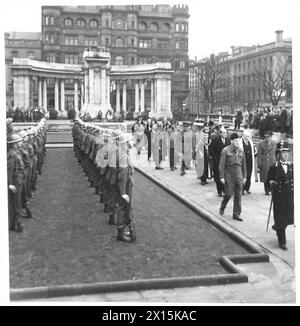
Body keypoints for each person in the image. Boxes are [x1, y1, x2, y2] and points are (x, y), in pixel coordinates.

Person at [267, 141, 294, 250]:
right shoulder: (275, 167)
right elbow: (268, 180)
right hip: (279, 197)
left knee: (288, 218)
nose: (286, 155)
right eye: (283, 153)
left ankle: (278, 227)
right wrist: (271, 184)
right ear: (279, 154)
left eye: (287, 152)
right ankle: (282, 241)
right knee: (280, 218)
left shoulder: (292, 166)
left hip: (289, 196)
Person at [219, 132, 247, 221]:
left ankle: (236, 214)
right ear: (231, 141)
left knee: (238, 195)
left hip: (239, 174)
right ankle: (223, 205)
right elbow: (221, 165)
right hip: (229, 174)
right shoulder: (225, 150)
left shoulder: (241, 151)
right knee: (228, 193)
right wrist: (222, 177)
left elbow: (244, 165)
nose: (237, 142)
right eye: (235, 140)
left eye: (238, 140)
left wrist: (245, 176)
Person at [7, 133, 24, 232]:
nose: (21, 143)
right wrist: (10, 184)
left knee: (17, 202)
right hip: (15, 183)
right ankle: (16, 224)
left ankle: (14, 223)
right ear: (14, 144)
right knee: (15, 203)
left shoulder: (15, 152)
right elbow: (9, 170)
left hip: (18, 181)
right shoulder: (12, 155)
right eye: (19, 141)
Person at [208, 126, 231, 196]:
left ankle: (224, 190)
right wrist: (215, 157)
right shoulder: (215, 140)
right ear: (220, 133)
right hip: (218, 161)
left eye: (226, 133)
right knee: (218, 176)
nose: (225, 134)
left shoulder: (228, 140)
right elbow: (210, 149)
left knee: (225, 176)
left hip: (226, 162)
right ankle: (219, 191)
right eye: (224, 133)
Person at [257, 130, 277, 195]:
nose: (267, 138)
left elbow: (276, 153)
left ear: (271, 137)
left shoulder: (274, 143)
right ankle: (267, 190)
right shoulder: (261, 144)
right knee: (266, 177)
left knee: (272, 176)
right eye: (265, 137)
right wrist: (259, 163)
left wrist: (276, 162)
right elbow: (259, 155)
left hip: (272, 162)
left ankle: (271, 189)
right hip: (264, 162)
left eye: (268, 137)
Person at [240, 129, 256, 194]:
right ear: (243, 136)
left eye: (248, 136)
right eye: (246, 136)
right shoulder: (240, 142)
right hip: (243, 161)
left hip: (250, 161)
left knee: (249, 175)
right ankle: (242, 189)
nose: (247, 138)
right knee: (243, 174)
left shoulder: (250, 142)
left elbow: (253, 151)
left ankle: (247, 188)